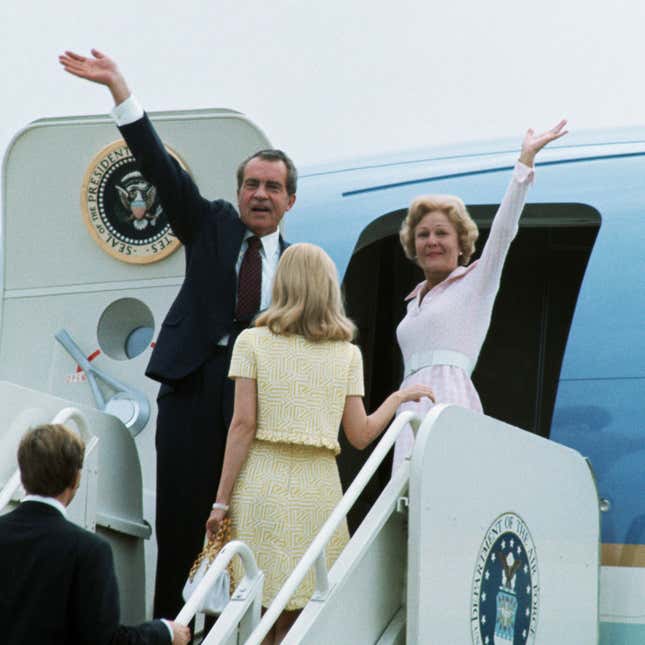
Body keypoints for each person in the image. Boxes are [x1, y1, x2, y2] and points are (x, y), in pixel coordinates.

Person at [58, 49, 297, 618]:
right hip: (193, 388)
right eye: (252, 185)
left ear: (291, 199)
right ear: (238, 193)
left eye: (273, 187)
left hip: (254, 401)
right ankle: (173, 629)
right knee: (183, 521)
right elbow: (159, 168)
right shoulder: (209, 222)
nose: (260, 195)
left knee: (242, 520)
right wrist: (120, 90)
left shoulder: (296, 265)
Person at [205, 243, 434, 644]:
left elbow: (242, 426)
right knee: (301, 612)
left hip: (262, 482)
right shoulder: (347, 354)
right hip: (319, 490)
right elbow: (361, 435)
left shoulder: (251, 342)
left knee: (253, 606)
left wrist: (220, 502)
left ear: (283, 284)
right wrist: (397, 399)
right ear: (329, 288)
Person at [391, 120, 568, 471]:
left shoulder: (475, 283)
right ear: (414, 245)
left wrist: (525, 163)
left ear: (461, 245)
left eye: (442, 233)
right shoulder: (413, 301)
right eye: (423, 234)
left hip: (449, 403)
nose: (432, 241)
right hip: (408, 407)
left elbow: (504, 231)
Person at [0, 423, 190, 645]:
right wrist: (163, 632)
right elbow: (104, 640)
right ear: (76, 479)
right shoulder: (89, 550)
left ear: (23, 474)